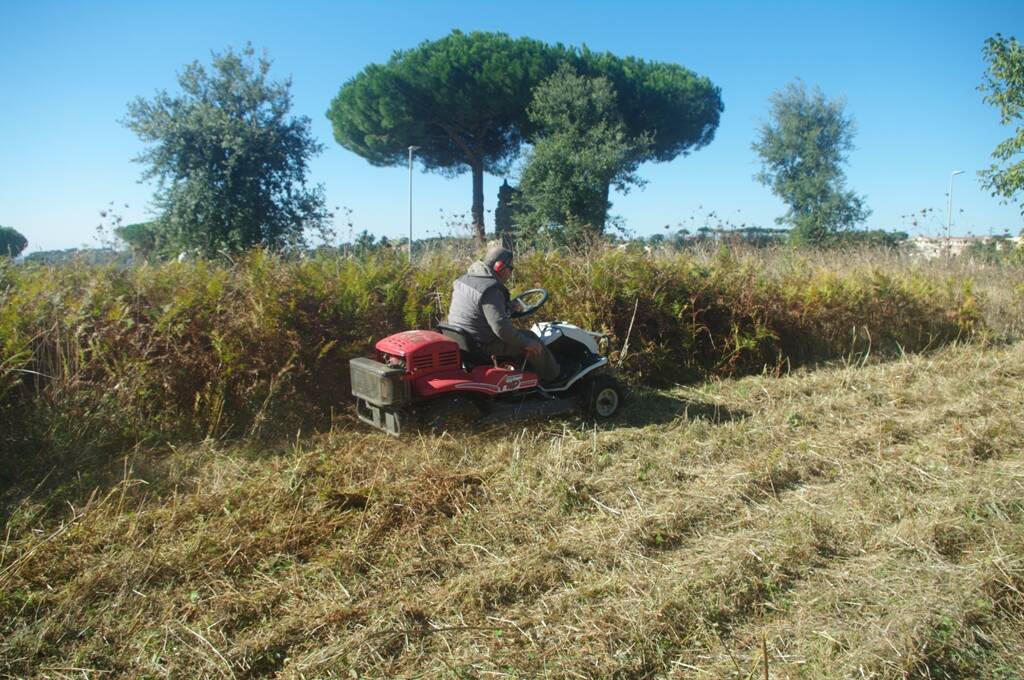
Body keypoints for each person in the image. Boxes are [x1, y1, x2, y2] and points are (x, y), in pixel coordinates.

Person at [447, 246, 564, 385]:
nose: (511, 272)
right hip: (483, 345)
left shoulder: (464, 280)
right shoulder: (490, 289)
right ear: (499, 267)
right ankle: (555, 379)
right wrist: (527, 343)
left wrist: (507, 308)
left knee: (521, 338)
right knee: (532, 339)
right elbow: (501, 328)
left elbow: (479, 311)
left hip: (464, 340)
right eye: (511, 268)